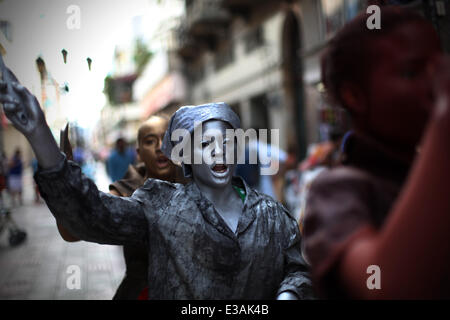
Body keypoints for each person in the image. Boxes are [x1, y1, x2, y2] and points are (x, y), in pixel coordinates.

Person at [0, 61, 313, 300]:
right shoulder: (160, 207)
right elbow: (93, 215)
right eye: (205, 144)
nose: (219, 153)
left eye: (227, 143)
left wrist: (288, 294)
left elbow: (297, 270)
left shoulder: (272, 214)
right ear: (186, 154)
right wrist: (39, 135)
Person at [302, 6, 450, 299]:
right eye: (411, 72)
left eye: (437, 70)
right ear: (354, 96)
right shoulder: (336, 191)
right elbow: (383, 284)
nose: (433, 87)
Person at [57, 115, 186, 300]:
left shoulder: (196, 183)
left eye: (167, 140)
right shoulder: (127, 191)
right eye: (150, 141)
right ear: (139, 153)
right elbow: (72, 231)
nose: (160, 147)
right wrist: (64, 181)